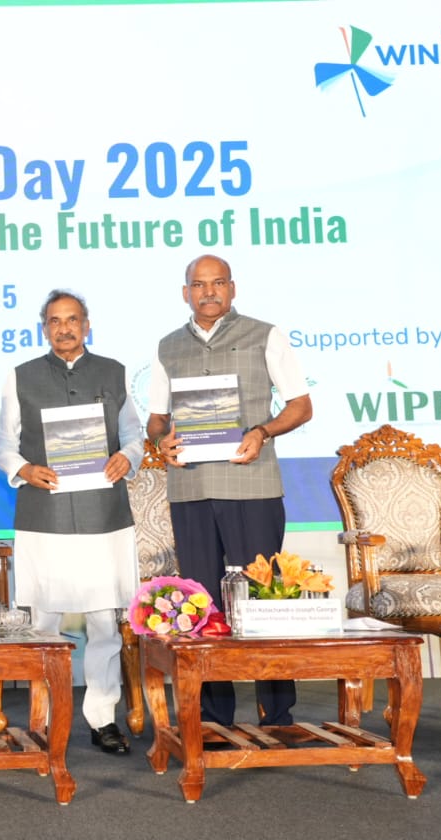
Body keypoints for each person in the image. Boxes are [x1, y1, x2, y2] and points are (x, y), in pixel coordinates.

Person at [146, 254, 313, 726]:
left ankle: (278, 714)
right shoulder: (167, 346)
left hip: (252, 485)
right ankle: (214, 716)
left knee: (265, 599)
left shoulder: (265, 334)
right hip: (191, 488)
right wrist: (161, 440)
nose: (209, 292)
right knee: (202, 602)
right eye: (199, 285)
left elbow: (301, 406)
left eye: (218, 283)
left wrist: (260, 431)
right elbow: (157, 418)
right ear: (186, 293)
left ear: (233, 288)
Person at [0, 289, 142, 755]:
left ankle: (102, 719)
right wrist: (23, 469)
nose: (64, 328)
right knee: (45, 621)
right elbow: (3, 443)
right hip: (46, 514)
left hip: (103, 514)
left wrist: (127, 456)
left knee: (102, 620)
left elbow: (134, 434)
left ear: (86, 324)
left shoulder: (113, 373)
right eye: (55, 321)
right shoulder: (22, 378)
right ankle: (44, 720)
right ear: (45, 328)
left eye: (72, 319)